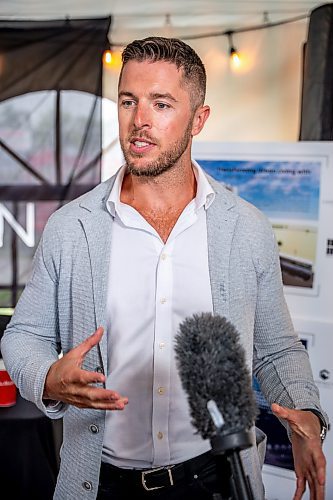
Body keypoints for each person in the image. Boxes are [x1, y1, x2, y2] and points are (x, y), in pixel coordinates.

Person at [1, 36, 328, 500]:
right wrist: (49, 379)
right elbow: (23, 335)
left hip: (216, 481)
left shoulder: (247, 229)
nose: (139, 121)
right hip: (101, 483)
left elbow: (275, 349)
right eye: (129, 101)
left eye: (161, 103)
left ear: (199, 119)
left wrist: (307, 417)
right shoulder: (72, 227)